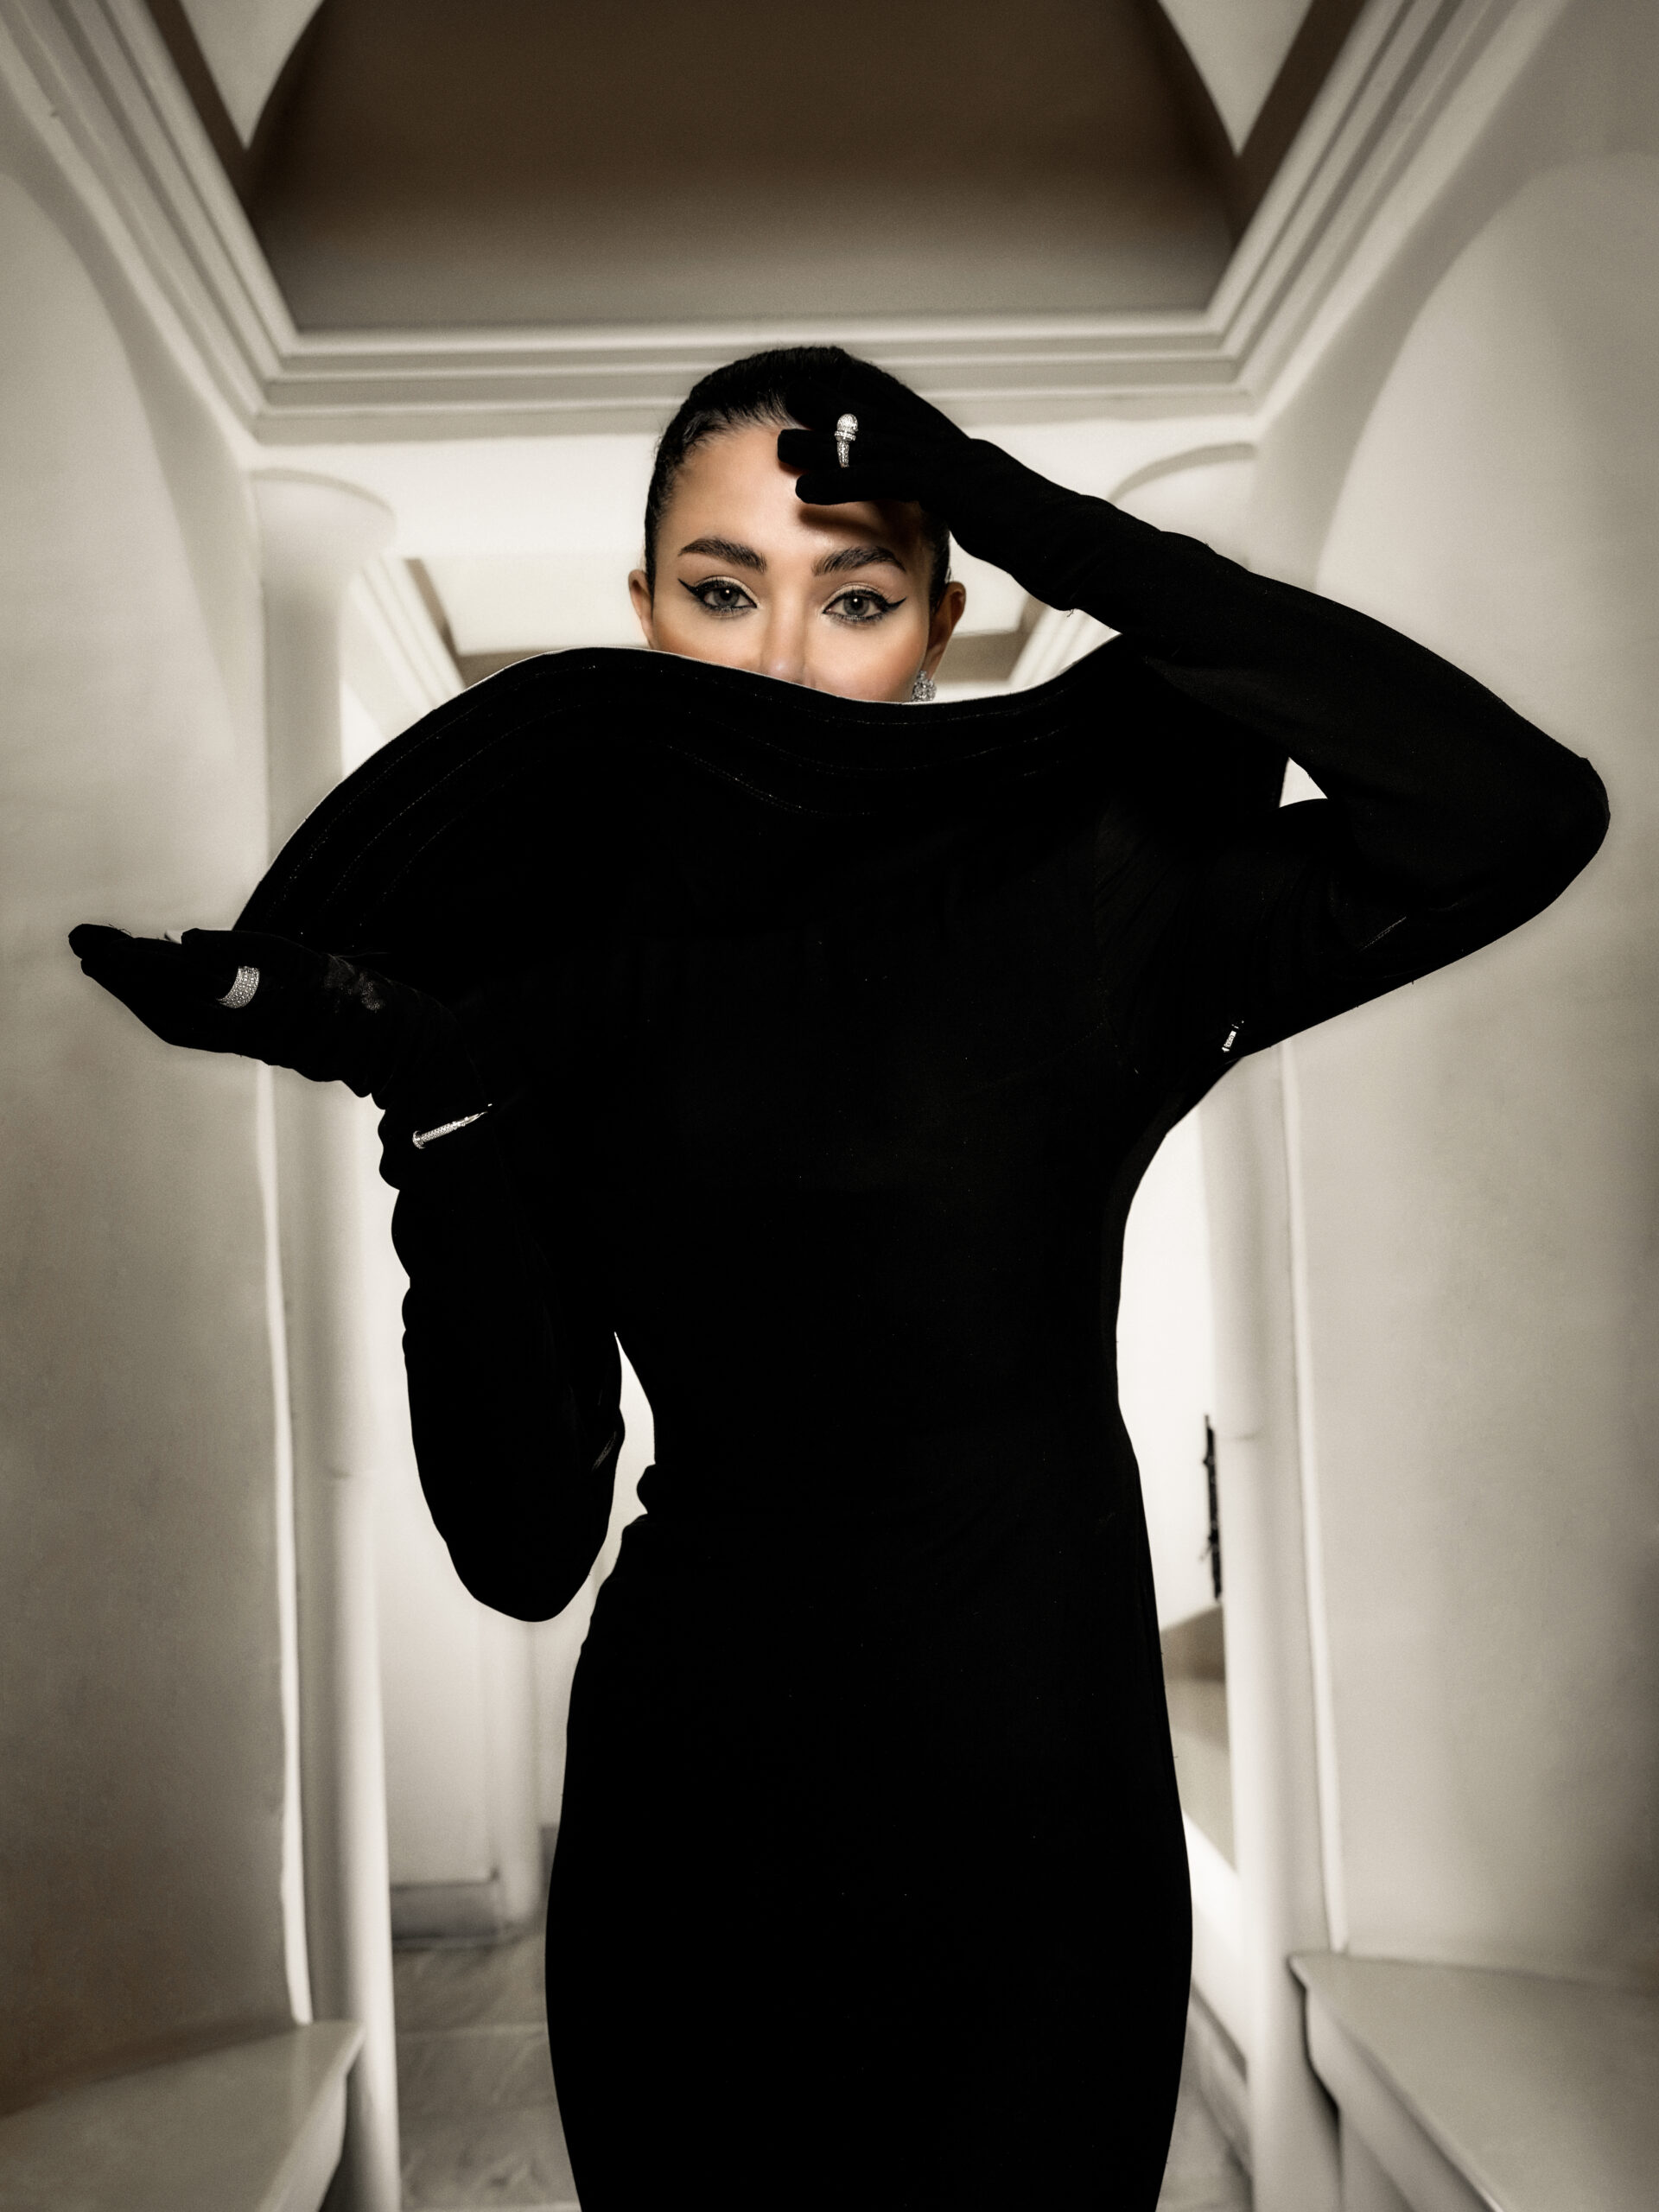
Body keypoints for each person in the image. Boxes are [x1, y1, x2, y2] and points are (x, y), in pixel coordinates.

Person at [71, 347, 1607, 2209]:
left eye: (859, 597)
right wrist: (440, 1104)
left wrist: (1034, 517)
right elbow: (522, 1543)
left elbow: (1515, 812)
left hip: (1044, 1829)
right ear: (644, 612)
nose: (787, 659)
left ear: (944, 624)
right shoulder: (549, 983)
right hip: (694, 1833)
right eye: (724, 593)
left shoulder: (1093, 902)